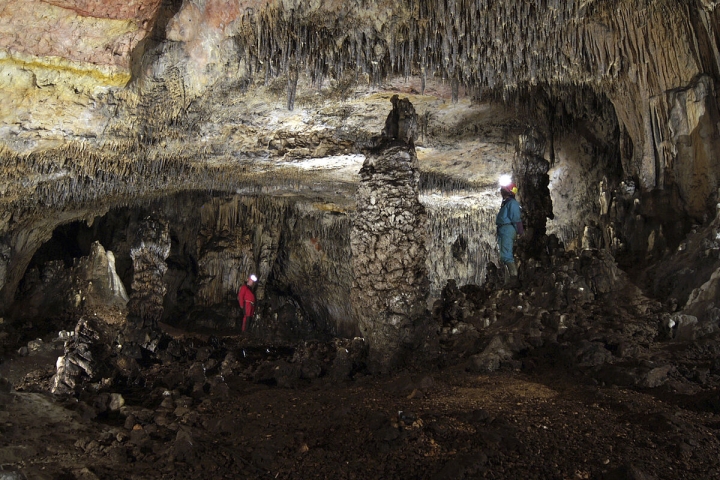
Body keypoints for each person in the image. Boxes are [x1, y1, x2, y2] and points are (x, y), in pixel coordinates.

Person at [496, 182, 524, 284]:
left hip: (507, 229)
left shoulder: (512, 203)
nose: (501, 191)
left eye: (503, 190)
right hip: (503, 230)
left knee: (507, 255)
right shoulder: (506, 203)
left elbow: (516, 219)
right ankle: (508, 280)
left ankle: (513, 279)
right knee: (504, 255)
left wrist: (520, 232)